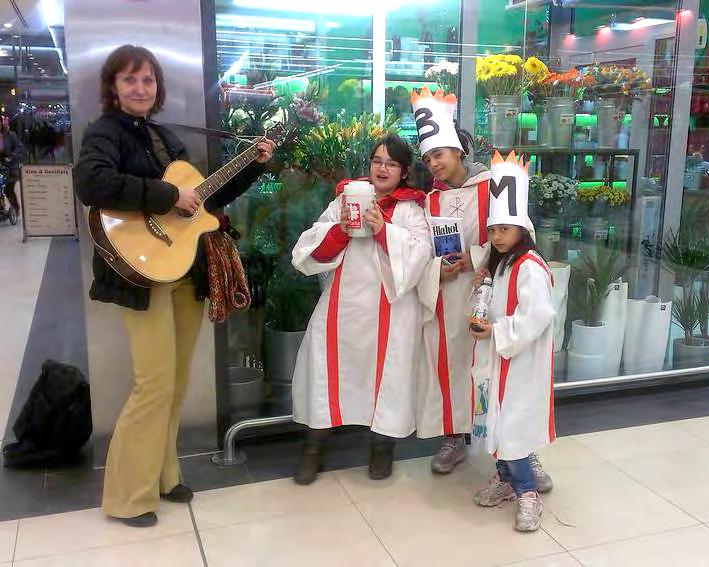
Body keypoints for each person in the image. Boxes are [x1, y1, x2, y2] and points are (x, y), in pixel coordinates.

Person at [74, 45, 274, 528]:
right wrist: (167, 194)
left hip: (184, 272)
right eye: (130, 80)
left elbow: (200, 201)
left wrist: (253, 165)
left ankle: (163, 476)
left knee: (176, 383)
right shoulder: (106, 133)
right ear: (114, 87)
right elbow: (92, 183)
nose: (140, 88)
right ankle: (126, 496)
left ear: (158, 87)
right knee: (154, 385)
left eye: (147, 81)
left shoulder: (166, 137)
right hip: (140, 276)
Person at [411, 87, 552, 492]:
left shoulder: (493, 184)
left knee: (505, 377)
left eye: (439, 154)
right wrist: (443, 266)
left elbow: (518, 233)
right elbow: (426, 247)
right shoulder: (429, 201)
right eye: (427, 158)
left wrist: (476, 259)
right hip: (449, 295)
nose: (434, 163)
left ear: (457, 149)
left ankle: (522, 452)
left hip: (494, 293)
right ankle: (455, 438)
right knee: (453, 367)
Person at [291, 134, 431, 485]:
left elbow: (418, 256)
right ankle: (313, 447)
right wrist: (340, 230)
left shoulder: (412, 209)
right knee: (325, 373)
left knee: (388, 380)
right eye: (377, 160)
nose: (382, 168)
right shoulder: (345, 198)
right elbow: (308, 249)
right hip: (343, 308)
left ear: (404, 171)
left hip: (392, 311)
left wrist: (384, 229)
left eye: (392, 163)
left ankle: (382, 448)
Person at [471, 151, 556, 533]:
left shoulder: (531, 267)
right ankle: (507, 480)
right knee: (497, 425)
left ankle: (526, 492)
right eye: (493, 229)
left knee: (513, 430)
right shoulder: (501, 264)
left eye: (505, 228)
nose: (497, 236)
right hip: (500, 360)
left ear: (523, 228)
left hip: (519, 364)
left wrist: (497, 332)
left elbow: (536, 315)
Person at [0, 116, 25, 213]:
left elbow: (19, 149)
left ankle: (15, 209)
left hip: (9, 168)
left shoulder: (11, 135)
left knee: (8, 190)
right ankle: (1, 208)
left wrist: (11, 157)